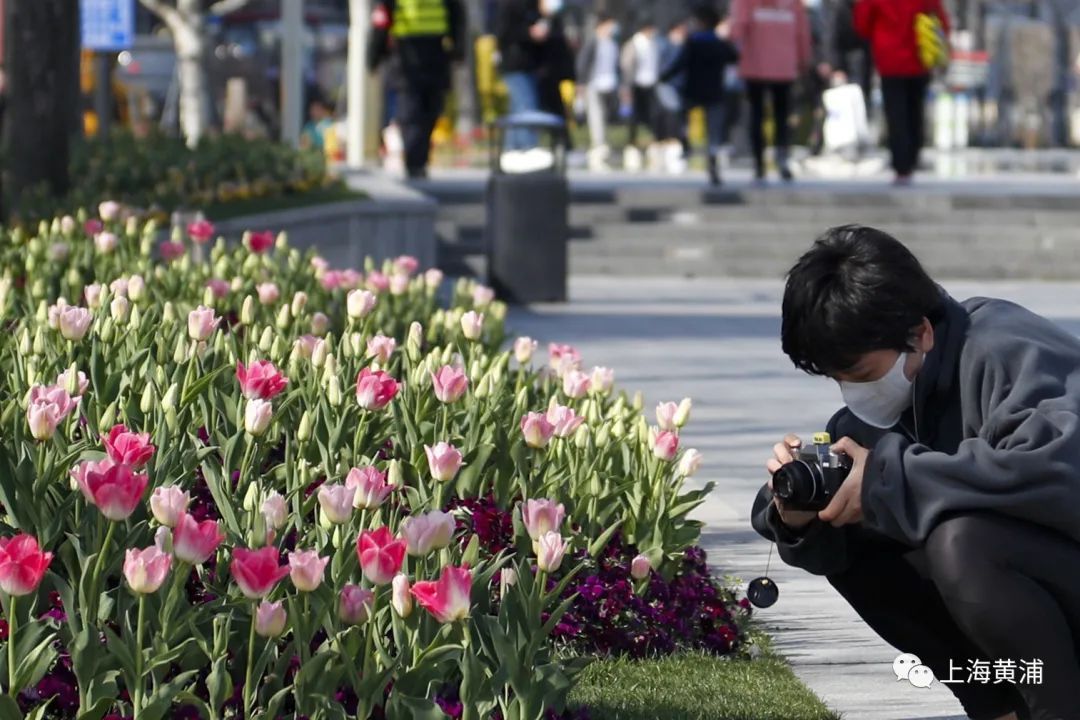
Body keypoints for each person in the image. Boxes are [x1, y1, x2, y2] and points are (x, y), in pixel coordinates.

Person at [751, 225, 1080, 720]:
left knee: (962, 542)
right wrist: (797, 513)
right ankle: (1000, 709)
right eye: (838, 380)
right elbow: (851, 505)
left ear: (920, 332)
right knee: (854, 530)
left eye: (862, 375)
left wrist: (890, 481)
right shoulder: (878, 412)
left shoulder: (1004, 346)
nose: (854, 394)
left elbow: (1057, 469)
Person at [853, 0, 949, 185]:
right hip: (919, 55)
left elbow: (862, 24)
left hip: (889, 58)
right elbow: (940, 19)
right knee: (916, 109)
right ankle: (913, 155)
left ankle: (901, 164)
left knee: (895, 113)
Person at [368, 0, 465, 179]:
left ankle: (419, 160)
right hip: (406, 57)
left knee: (430, 111)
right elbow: (383, 19)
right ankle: (414, 162)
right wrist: (374, 54)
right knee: (410, 113)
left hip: (434, 55)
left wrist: (459, 48)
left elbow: (456, 15)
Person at [730, 0, 812, 183]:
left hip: (754, 64)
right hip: (784, 65)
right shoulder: (793, 4)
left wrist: (732, 46)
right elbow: (802, 32)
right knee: (782, 116)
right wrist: (803, 60)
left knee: (757, 115)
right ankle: (782, 159)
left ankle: (759, 163)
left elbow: (738, 27)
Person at [661, 8, 739, 186]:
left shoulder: (692, 43)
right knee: (714, 131)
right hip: (715, 91)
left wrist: (664, 76)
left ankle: (685, 142)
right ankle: (712, 161)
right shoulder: (719, 43)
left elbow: (679, 63)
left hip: (693, 90)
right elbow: (734, 57)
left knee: (683, 116)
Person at [496, 0, 548, 149]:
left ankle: (511, 149)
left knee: (517, 109)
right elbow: (503, 33)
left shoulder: (533, 6)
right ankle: (527, 147)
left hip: (529, 66)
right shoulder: (510, 5)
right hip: (515, 66)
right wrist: (529, 32)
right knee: (526, 107)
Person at [576, 14, 622, 171]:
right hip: (593, 85)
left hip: (610, 86)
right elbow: (582, 65)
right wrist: (581, 86)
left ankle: (605, 151)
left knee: (607, 119)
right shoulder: (592, 43)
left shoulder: (613, 44)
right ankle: (598, 150)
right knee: (596, 119)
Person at [620, 19, 662, 171]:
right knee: (634, 119)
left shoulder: (654, 44)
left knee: (653, 117)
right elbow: (626, 66)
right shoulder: (633, 44)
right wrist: (626, 87)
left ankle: (651, 147)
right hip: (635, 85)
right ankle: (632, 149)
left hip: (651, 84)